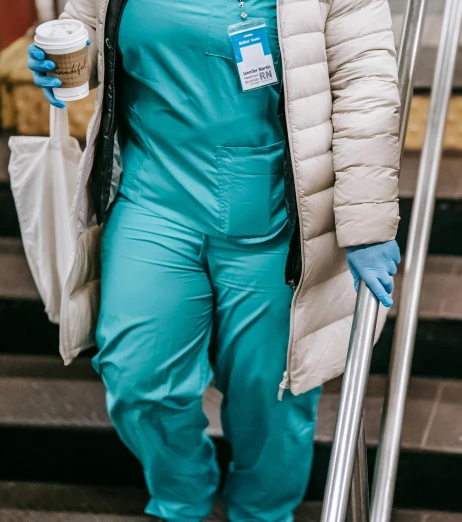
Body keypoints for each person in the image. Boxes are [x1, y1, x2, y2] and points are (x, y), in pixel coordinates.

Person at [27, 0, 401, 520]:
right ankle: (181, 498)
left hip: (275, 215)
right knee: (137, 375)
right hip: (155, 196)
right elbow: (93, 34)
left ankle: (262, 512)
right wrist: (68, 62)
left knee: (270, 397)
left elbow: (366, 86)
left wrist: (366, 222)